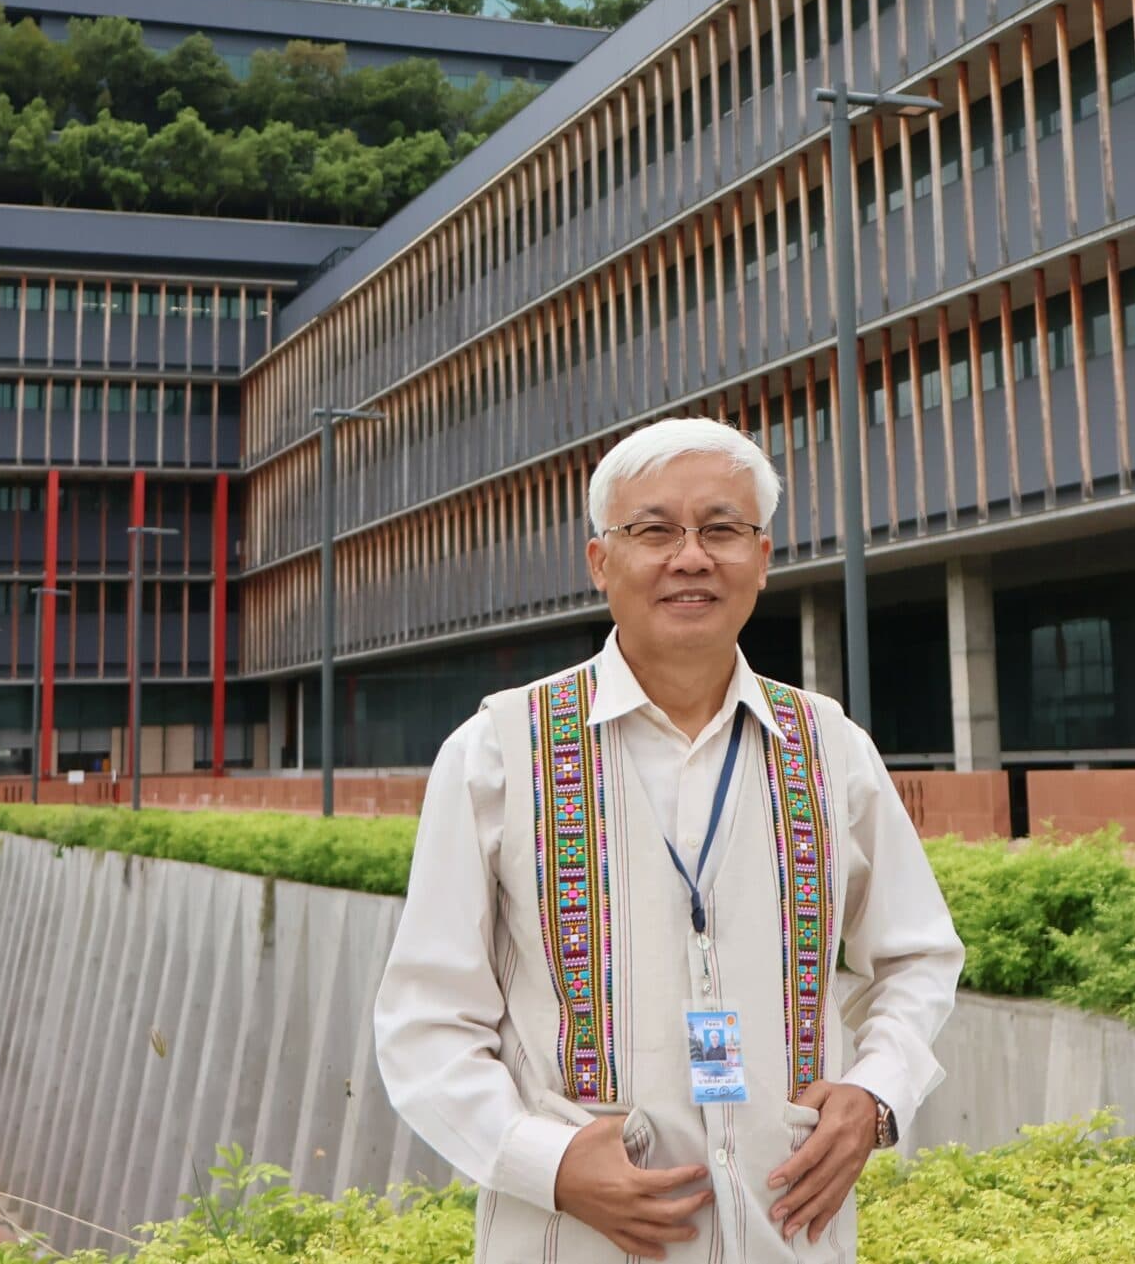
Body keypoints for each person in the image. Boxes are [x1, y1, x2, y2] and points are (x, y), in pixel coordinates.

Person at [375, 416, 964, 1261]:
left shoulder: (831, 748)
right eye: (653, 529)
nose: (691, 556)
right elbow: (424, 1020)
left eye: (722, 528)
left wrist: (877, 1093)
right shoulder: (500, 753)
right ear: (600, 560)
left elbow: (918, 957)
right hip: (573, 1242)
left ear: (762, 558)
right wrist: (549, 1160)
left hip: (790, 1238)